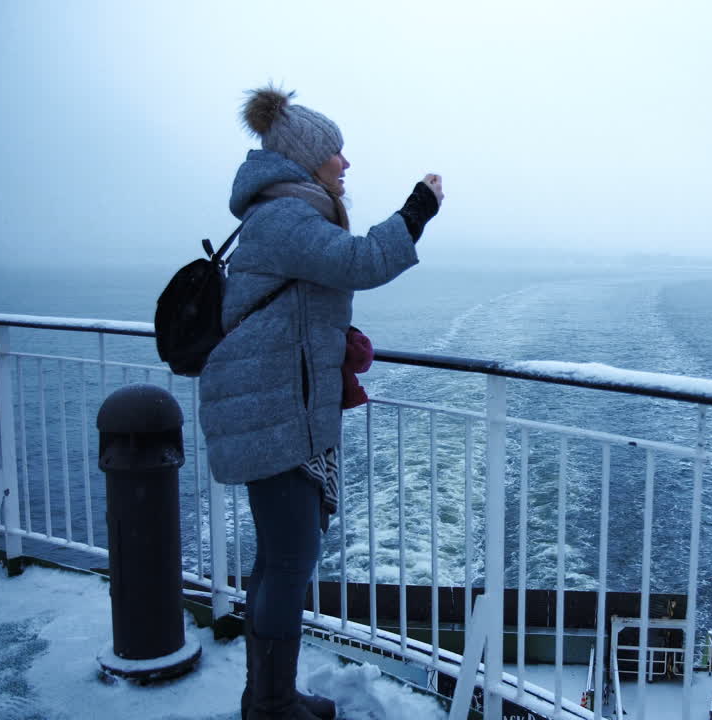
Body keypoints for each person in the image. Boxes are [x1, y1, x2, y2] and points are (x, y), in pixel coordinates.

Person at [199, 84, 443, 720]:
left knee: (283, 556)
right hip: (270, 412)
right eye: (336, 153)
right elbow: (359, 262)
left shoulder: (286, 210)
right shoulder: (286, 216)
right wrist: (417, 209)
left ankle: (269, 694)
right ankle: (272, 704)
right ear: (307, 160)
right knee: (288, 559)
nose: (345, 163)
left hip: (276, 406)